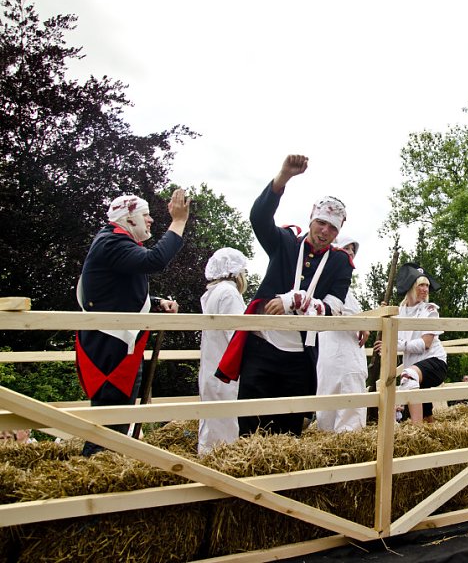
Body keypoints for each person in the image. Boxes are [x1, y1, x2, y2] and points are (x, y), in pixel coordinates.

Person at [214, 154, 353, 437]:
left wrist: (293, 300)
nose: (325, 231)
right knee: (250, 428)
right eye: (321, 223)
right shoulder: (285, 242)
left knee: (288, 433)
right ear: (312, 219)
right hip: (262, 349)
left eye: (332, 227)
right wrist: (283, 177)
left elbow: (332, 310)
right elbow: (259, 217)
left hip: (299, 357)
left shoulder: (340, 262)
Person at [75, 189, 190, 456]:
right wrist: (179, 221)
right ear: (129, 218)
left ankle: (102, 474)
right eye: (146, 215)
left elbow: (115, 293)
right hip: (109, 345)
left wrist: (157, 300)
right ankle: (93, 478)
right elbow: (155, 260)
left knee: (117, 421)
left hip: (116, 343)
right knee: (108, 426)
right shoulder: (111, 243)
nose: (150, 221)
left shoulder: (115, 243)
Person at [373, 262, 447, 424]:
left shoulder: (430, 310)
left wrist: (394, 345)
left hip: (435, 363)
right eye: (421, 285)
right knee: (425, 414)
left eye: (427, 285)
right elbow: (391, 338)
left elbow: (425, 344)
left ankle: (416, 433)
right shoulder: (399, 312)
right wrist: (383, 317)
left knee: (408, 376)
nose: (425, 289)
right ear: (411, 286)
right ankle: (429, 434)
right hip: (415, 367)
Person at [315, 235, 370, 432]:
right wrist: (363, 324)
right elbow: (339, 311)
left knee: (330, 408)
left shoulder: (332, 285)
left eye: (353, 251)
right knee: (349, 413)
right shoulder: (336, 287)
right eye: (347, 249)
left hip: (334, 355)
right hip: (343, 356)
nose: (351, 254)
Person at [198, 247, 249, 455]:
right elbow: (237, 336)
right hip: (226, 371)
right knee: (227, 427)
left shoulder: (212, 293)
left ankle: (208, 463)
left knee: (212, 423)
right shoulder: (229, 293)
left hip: (212, 368)